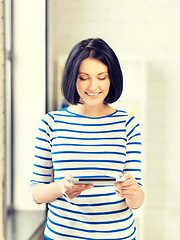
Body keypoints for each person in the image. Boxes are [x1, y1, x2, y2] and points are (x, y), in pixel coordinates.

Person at [30, 38, 145, 240]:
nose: (93, 86)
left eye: (102, 77)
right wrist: (61, 187)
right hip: (62, 235)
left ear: (112, 79)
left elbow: (137, 201)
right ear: (73, 78)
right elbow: (36, 193)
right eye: (84, 77)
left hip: (117, 235)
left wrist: (132, 191)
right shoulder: (51, 123)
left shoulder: (128, 124)